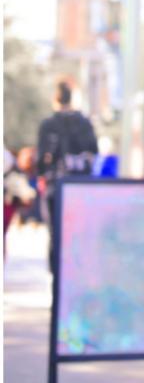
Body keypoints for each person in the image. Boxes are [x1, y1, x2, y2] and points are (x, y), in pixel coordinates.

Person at [36, 81, 99, 272]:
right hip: (81, 187)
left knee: (56, 233)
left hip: (56, 187)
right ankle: (77, 275)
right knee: (79, 233)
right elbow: (94, 153)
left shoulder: (48, 125)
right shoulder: (84, 123)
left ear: (56, 98)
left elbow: (41, 160)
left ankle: (57, 284)